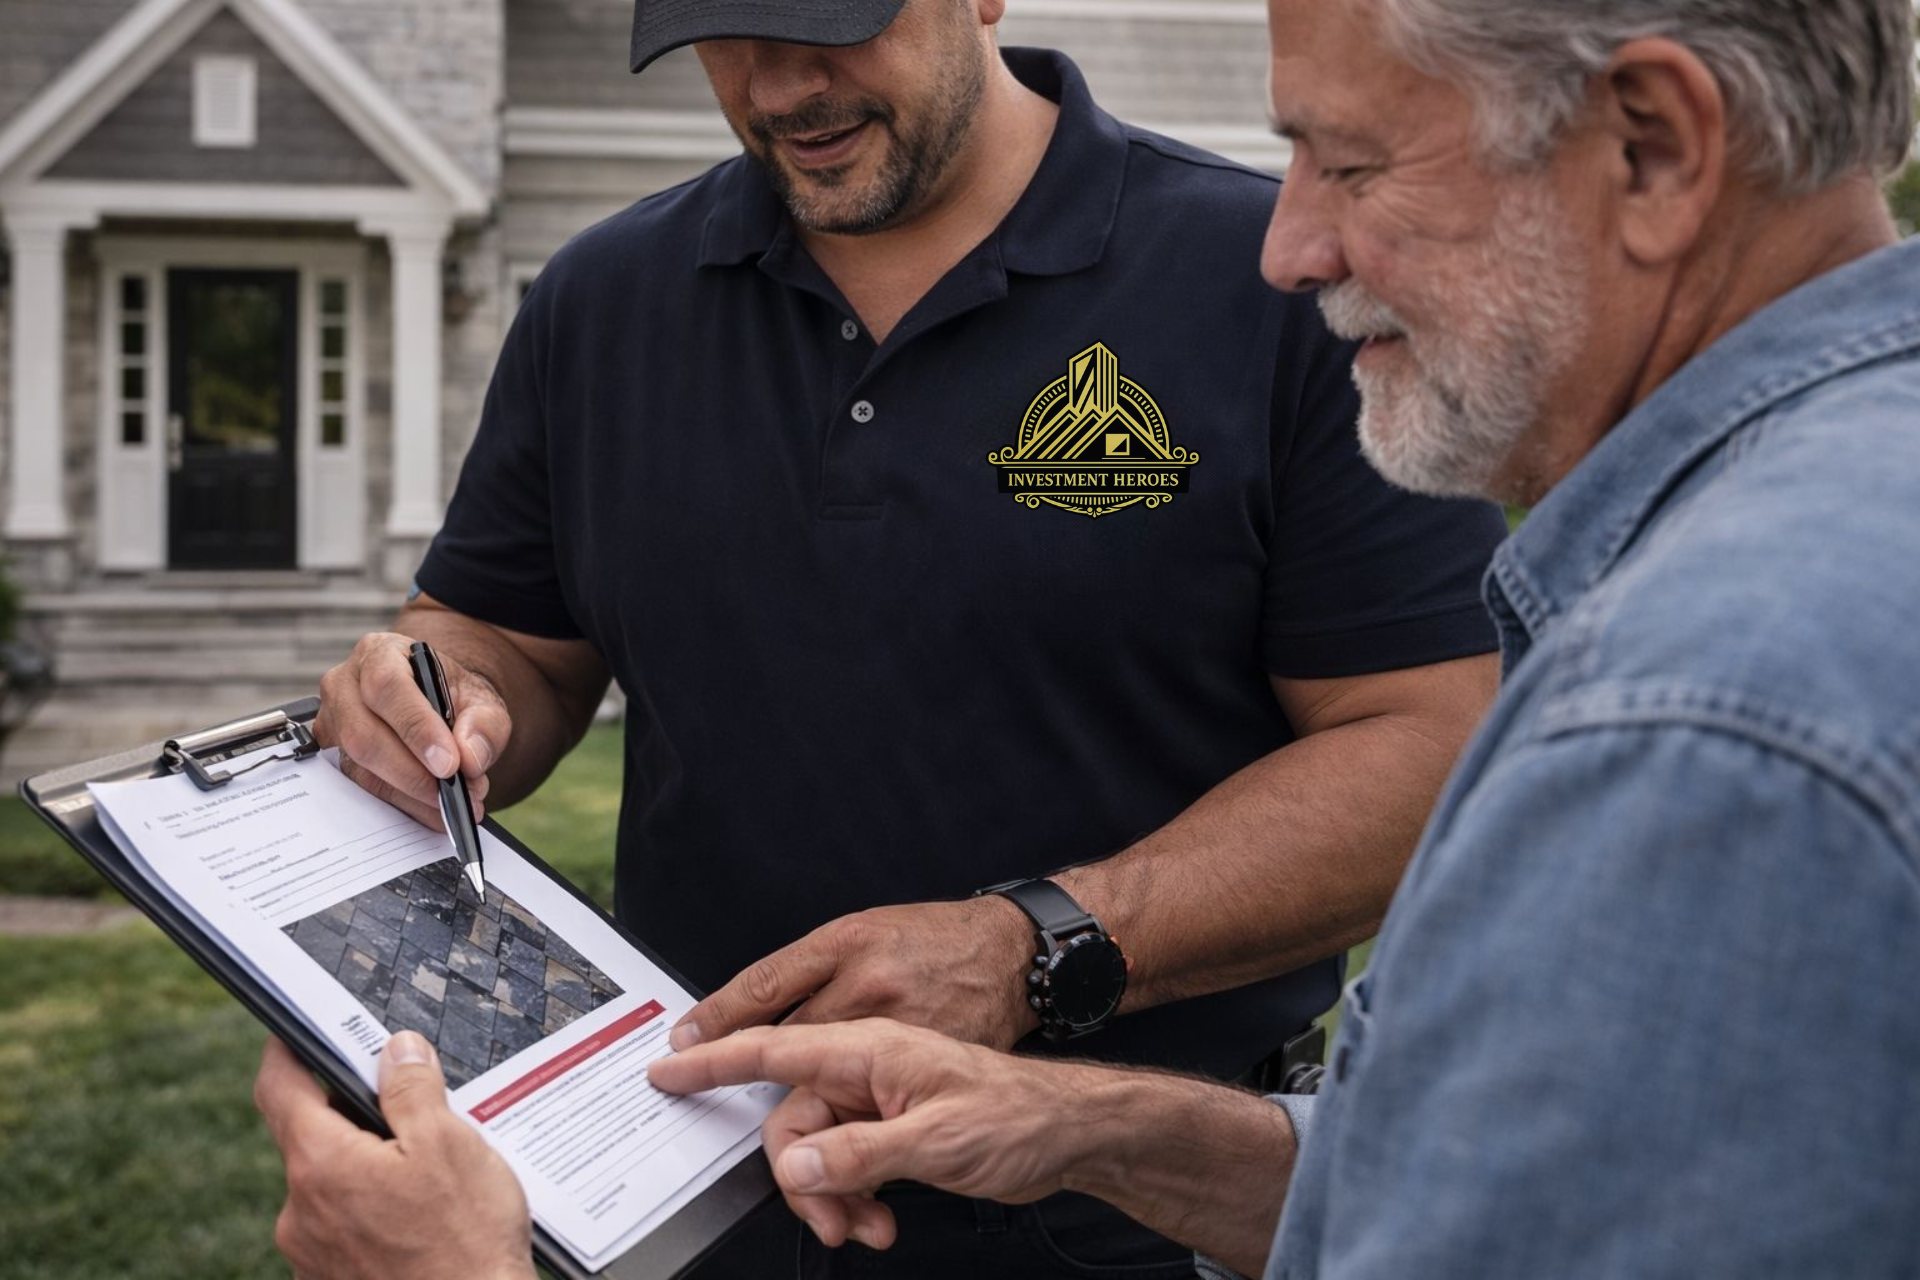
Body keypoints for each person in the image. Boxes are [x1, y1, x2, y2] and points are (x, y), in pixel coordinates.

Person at [256, 0, 1920, 1275]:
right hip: (712, 1174)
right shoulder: (601, 301)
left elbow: (1428, 739)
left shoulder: (1697, 713)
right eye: (722, 36)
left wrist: (1035, 949)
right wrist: (445, 693)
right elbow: (508, 638)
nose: (777, 84)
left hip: (1129, 1229)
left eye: (1349, 163)